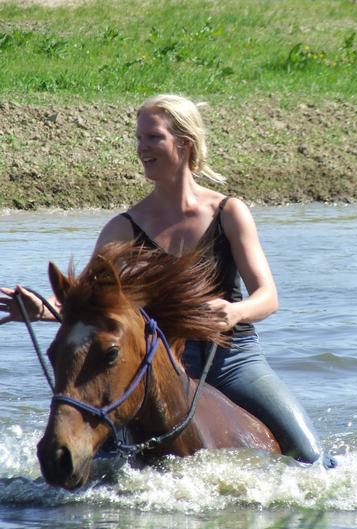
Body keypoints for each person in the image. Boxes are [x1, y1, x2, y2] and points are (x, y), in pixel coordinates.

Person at [0, 94, 335, 468]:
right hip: (157, 369)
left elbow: (267, 296)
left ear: (185, 143)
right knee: (100, 468)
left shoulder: (229, 212)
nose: (142, 148)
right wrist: (41, 309)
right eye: (138, 138)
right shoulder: (123, 228)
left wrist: (236, 312)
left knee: (311, 458)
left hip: (234, 361)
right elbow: (92, 305)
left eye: (153, 137)